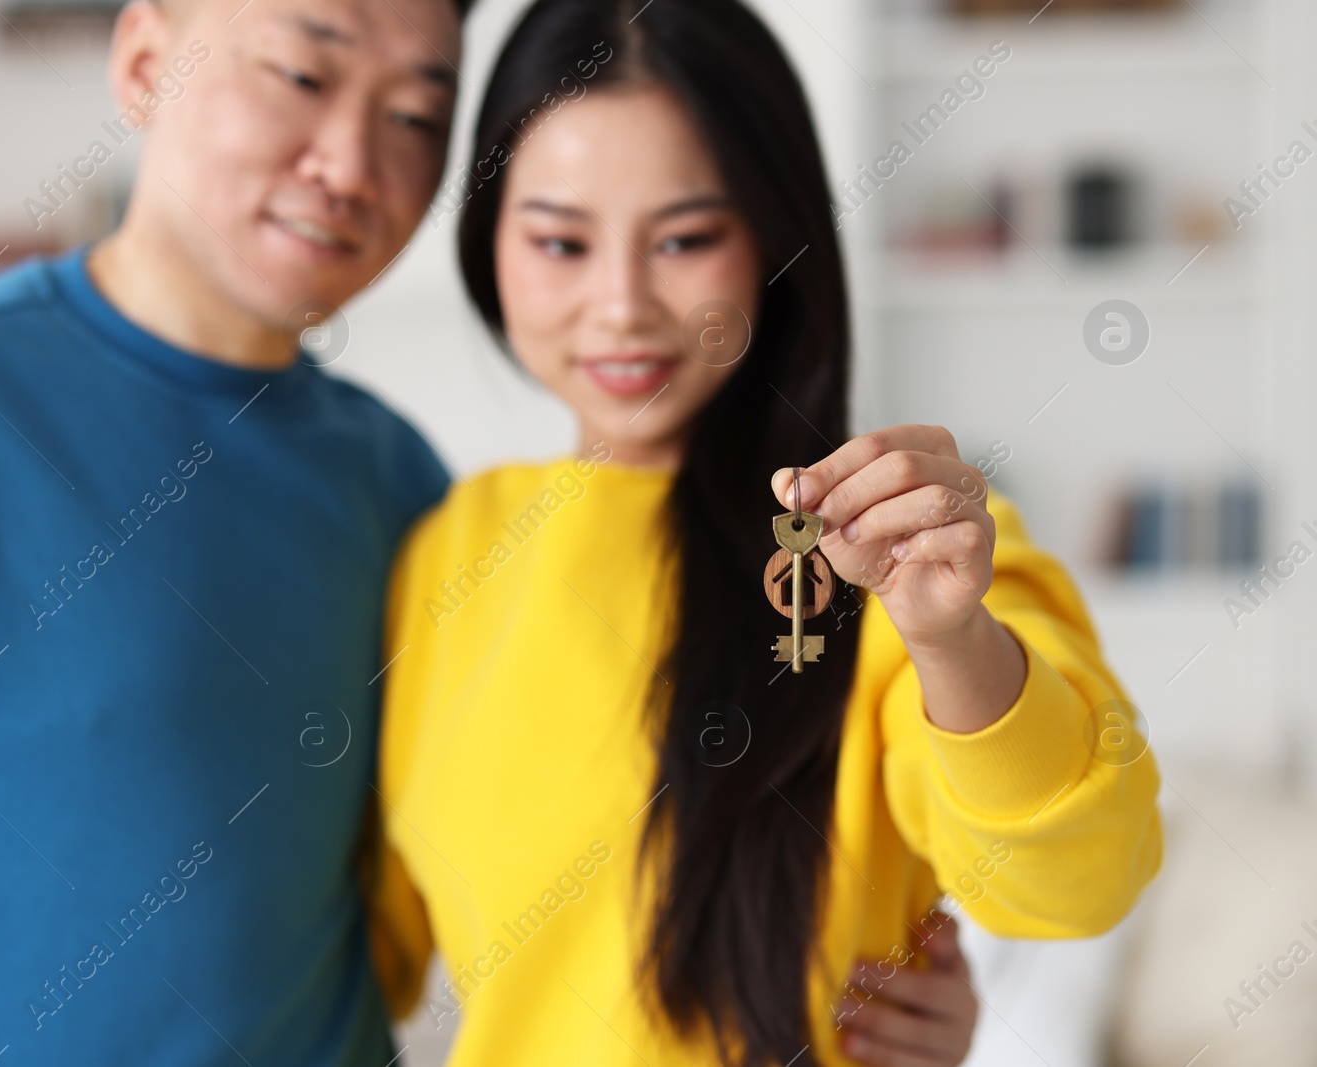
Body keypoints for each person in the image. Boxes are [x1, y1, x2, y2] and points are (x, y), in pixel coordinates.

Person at [370, 1, 1163, 1065]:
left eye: (686, 237)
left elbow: (1080, 878)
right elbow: (361, 950)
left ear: (771, 241)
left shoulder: (905, 549)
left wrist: (947, 637)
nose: (620, 304)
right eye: (560, 240)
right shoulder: (446, 549)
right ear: (488, 240)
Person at [0, 0, 472, 1063]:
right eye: (304, 76)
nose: (350, 161)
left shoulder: (401, 486)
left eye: (415, 116)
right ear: (144, 65)